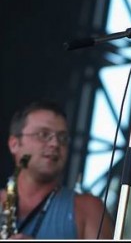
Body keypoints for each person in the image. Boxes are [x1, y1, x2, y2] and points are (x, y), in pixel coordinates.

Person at [0, 99, 115, 239]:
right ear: (14, 144)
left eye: (63, 138)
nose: (55, 143)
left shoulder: (89, 210)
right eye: (43, 134)